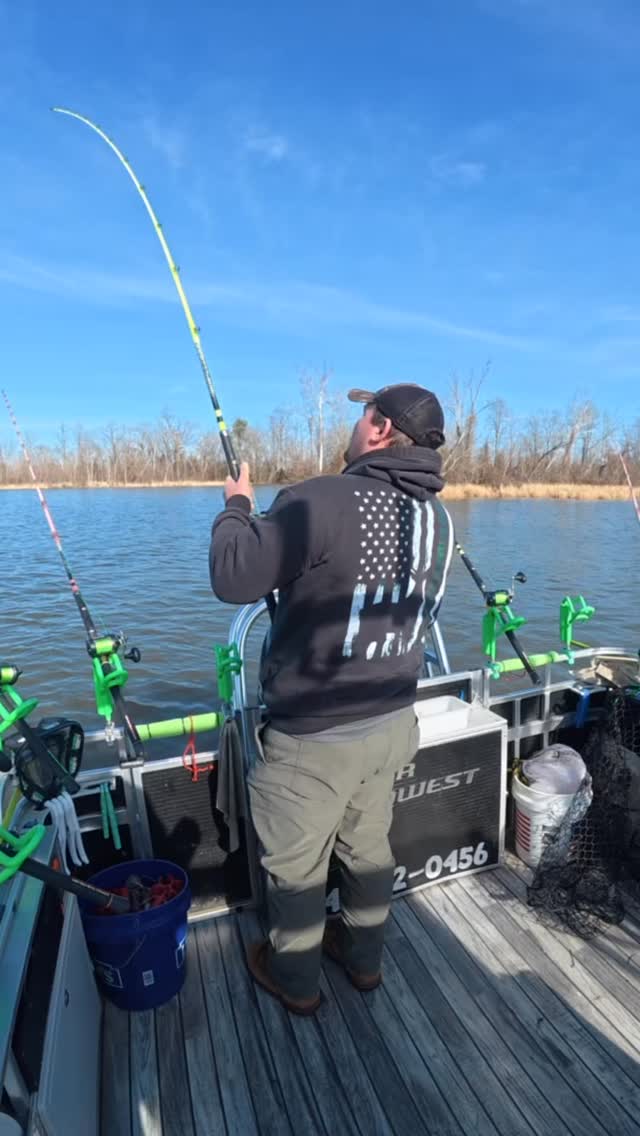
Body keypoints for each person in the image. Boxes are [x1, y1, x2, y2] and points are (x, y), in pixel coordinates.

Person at [210, 383, 454, 1015]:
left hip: (313, 742)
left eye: (362, 414)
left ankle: (297, 983)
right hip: (393, 724)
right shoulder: (439, 519)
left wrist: (237, 507)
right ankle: (364, 963)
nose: (355, 424)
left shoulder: (319, 500)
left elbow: (233, 575)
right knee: (369, 848)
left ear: (378, 431)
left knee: (295, 870)